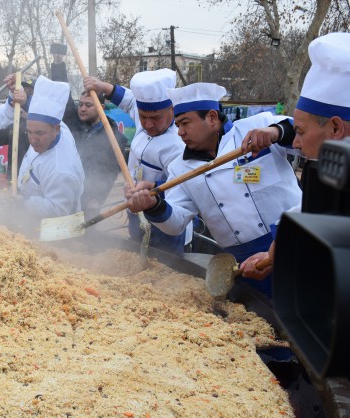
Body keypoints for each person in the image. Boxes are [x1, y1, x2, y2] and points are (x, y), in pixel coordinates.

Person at [126, 82, 301, 297]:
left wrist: (277, 131)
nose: (179, 132)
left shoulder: (255, 126)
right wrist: (154, 205)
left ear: (211, 117)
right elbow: (176, 224)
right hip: (241, 261)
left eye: (184, 123)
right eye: (178, 124)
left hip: (294, 242)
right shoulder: (180, 168)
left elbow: (309, 140)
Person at [240, 32, 350, 280]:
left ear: (335, 128)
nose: (295, 142)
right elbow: (314, 210)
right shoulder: (323, 167)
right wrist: (278, 248)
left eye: (299, 131)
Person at [84, 69, 187, 253]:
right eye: (143, 117)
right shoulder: (145, 114)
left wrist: (154, 188)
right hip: (135, 213)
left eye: (155, 118)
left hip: (164, 222)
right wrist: (103, 87)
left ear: (171, 108)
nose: (147, 124)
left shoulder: (177, 145)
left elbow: (181, 188)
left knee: (164, 267)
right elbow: (130, 100)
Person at [17, 75, 84, 219]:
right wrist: (24, 100)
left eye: (39, 133)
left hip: (51, 229)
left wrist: (23, 202)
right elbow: (43, 112)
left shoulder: (61, 169)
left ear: (56, 130)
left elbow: (58, 210)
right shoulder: (54, 124)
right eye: (29, 132)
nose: (33, 140)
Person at [71, 90, 128, 219]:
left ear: (101, 107)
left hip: (89, 197)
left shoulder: (113, 138)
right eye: (80, 104)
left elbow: (109, 171)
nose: (83, 109)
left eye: (88, 105)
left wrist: (97, 198)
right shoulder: (77, 126)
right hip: (70, 192)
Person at [0, 79, 34, 181]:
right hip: (13, 178)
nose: (21, 97)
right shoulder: (14, 123)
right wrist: (1, 119)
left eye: (29, 93)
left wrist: (27, 116)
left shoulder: (41, 124)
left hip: (32, 180)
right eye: (21, 93)